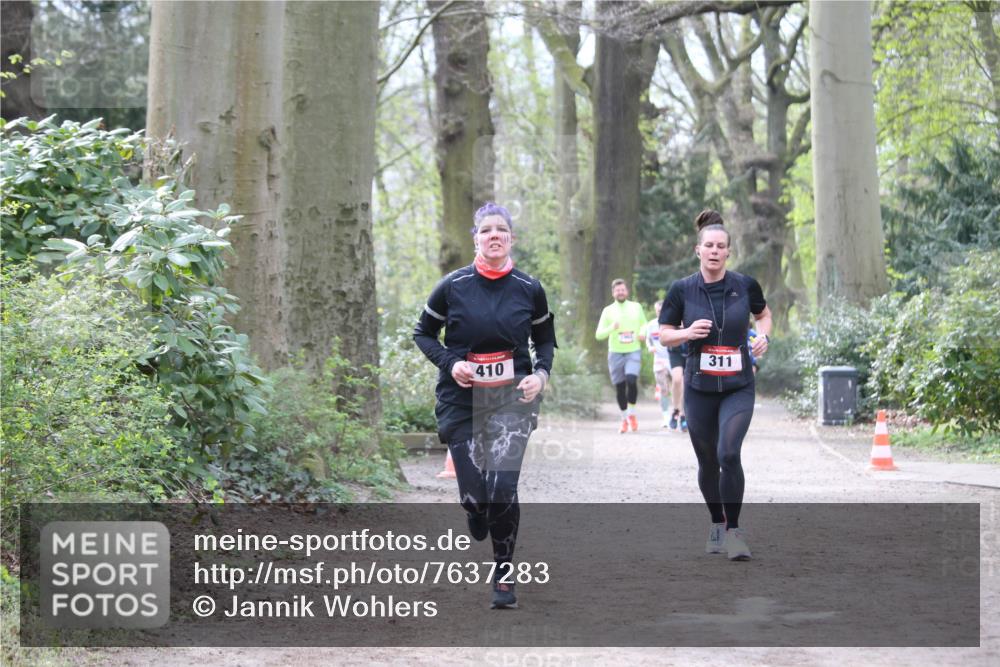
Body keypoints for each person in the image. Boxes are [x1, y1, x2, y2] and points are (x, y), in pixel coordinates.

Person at [413, 202, 556, 609]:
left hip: (513, 399)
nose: (494, 235)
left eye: (501, 230)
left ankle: (504, 575)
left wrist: (540, 375)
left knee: (503, 488)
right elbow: (423, 333)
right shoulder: (452, 286)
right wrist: (452, 362)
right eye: (486, 230)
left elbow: (544, 341)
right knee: (477, 500)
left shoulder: (529, 289)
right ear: (475, 238)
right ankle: (475, 510)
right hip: (461, 401)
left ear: (511, 238)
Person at [658, 209, 772, 561]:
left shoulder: (745, 285)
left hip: (738, 384)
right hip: (699, 386)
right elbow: (663, 336)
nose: (714, 251)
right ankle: (717, 523)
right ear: (698, 249)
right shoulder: (682, 290)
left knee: (728, 453)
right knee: (708, 461)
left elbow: (764, 315)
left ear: (728, 252)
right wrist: (687, 333)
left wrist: (763, 338)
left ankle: (735, 532)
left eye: (720, 246)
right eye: (708, 245)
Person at [595, 280, 646, 433]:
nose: (620, 292)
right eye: (617, 290)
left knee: (631, 380)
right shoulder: (608, 311)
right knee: (620, 386)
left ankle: (631, 414)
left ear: (627, 291)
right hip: (615, 352)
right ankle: (624, 419)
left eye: (623, 290)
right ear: (613, 293)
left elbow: (644, 324)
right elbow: (598, 335)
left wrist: (643, 333)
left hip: (633, 350)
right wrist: (612, 327)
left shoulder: (636, 307)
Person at [645, 301, 686, 431]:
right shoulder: (651, 325)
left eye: (662, 311)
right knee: (664, 389)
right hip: (662, 359)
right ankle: (667, 415)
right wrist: (650, 347)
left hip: (680, 354)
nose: (660, 313)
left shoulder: (675, 319)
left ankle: (682, 415)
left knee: (681, 384)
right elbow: (648, 339)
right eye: (658, 311)